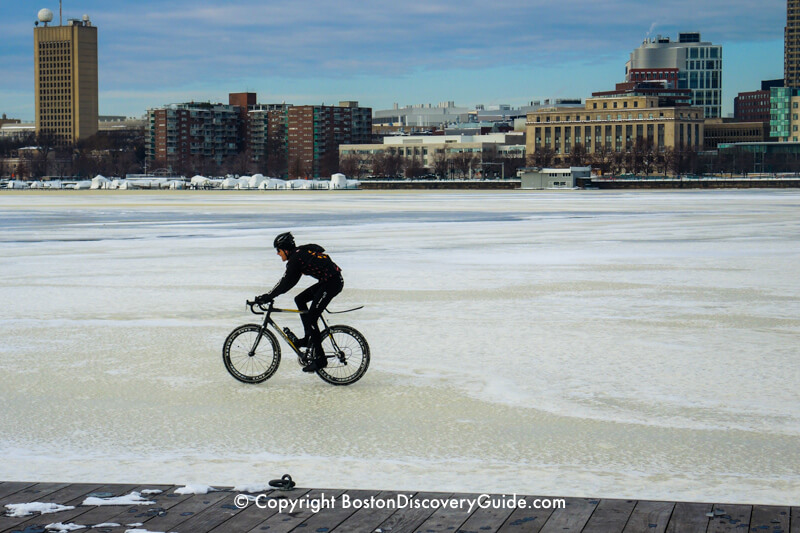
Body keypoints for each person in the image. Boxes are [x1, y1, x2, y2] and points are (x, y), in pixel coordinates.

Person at [255, 232, 343, 372]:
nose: (277, 254)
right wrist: (270, 295)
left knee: (312, 318)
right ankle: (309, 337)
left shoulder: (296, 258)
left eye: (278, 250)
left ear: (285, 249)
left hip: (331, 283)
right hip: (329, 281)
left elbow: (285, 283)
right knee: (300, 299)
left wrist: (268, 296)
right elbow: (290, 282)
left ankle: (320, 359)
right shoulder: (299, 254)